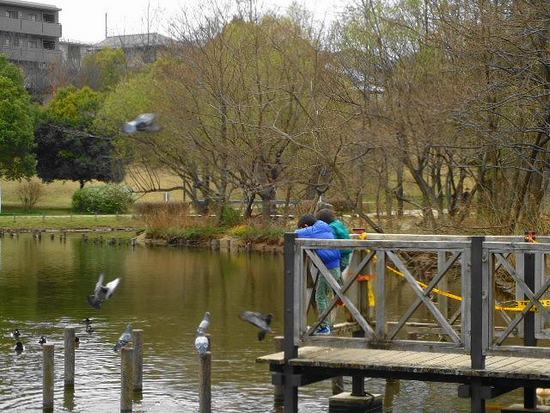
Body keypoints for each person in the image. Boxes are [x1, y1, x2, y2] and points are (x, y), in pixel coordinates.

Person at [296, 214, 341, 335]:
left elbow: (295, 234)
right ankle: (327, 325)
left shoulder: (315, 229)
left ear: (306, 226)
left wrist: (300, 230)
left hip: (329, 268)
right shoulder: (323, 227)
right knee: (324, 296)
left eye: (302, 227)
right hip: (333, 267)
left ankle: (324, 327)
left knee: (320, 297)